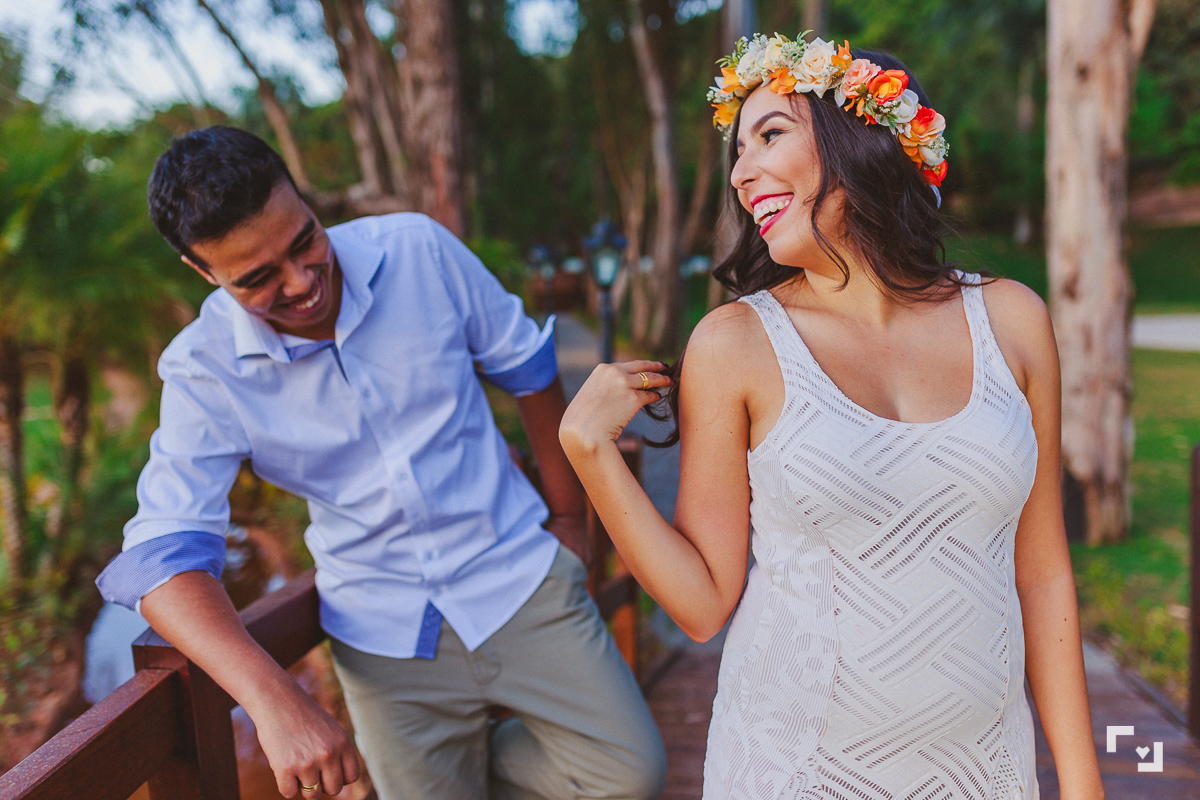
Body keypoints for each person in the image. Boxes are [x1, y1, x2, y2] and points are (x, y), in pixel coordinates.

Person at [560, 34, 1104, 799]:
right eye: (736, 153)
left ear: (860, 138)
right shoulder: (735, 343)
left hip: (983, 769)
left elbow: (1042, 573)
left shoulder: (1011, 320)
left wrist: (1083, 784)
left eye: (770, 134)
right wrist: (589, 451)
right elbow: (702, 604)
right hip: (797, 769)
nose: (743, 175)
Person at [96, 125, 665, 800]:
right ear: (203, 272)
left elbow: (526, 365)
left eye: (304, 240)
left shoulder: (417, 250)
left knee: (631, 776)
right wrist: (276, 701)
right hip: (381, 633)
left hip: (518, 576)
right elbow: (162, 557)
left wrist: (570, 518)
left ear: (304, 198)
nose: (302, 282)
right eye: (257, 278)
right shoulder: (202, 370)